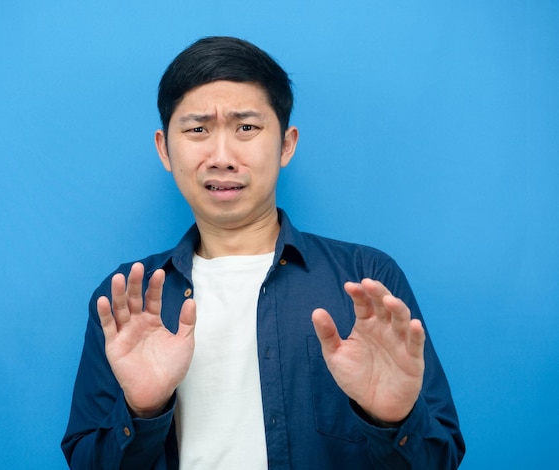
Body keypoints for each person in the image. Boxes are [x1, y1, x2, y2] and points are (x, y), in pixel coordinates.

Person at [61, 36, 465, 469]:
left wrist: (392, 417)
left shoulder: (365, 280)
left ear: (286, 144)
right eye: (198, 129)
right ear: (164, 148)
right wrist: (141, 411)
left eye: (246, 128)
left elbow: (438, 459)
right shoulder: (130, 297)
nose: (222, 157)